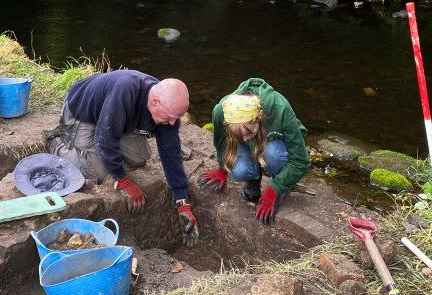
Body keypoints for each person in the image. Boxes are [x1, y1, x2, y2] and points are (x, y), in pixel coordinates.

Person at [45, 70, 199, 246]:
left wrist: (182, 202)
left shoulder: (168, 110)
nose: (173, 123)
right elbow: (104, 140)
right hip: (83, 110)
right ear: (155, 102)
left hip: (113, 116)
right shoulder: (126, 89)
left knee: (139, 158)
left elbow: (171, 152)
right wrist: (124, 181)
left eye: (175, 119)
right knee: (99, 174)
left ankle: (107, 127)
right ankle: (57, 143)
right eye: (170, 118)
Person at [197, 78, 311, 224]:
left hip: (273, 143)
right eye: (239, 135)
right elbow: (221, 143)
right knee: (237, 171)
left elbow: (301, 161)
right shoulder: (221, 111)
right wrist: (221, 168)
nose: (244, 139)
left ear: (261, 115)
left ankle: (281, 186)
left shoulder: (280, 108)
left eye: (248, 133)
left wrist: (274, 189)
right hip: (254, 141)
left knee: (273, 154)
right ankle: (254, 178)